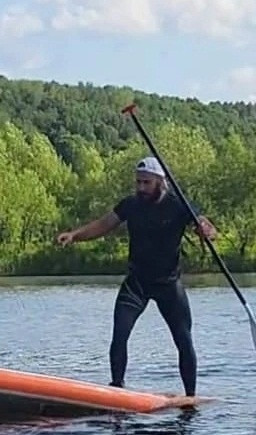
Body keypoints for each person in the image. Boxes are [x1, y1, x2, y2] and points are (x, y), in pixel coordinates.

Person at [56, 156, 217, 397]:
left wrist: (207, 231)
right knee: (119, 334)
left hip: (168, 284)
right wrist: (75, 235)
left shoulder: (179, 205)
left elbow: (205, 225)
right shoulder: (131, 204)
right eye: (138, 183)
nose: (141, 188)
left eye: (146, 183)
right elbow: (103, 224)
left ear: (160, 182)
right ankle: (117, 388)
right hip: (137, 283)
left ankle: (190, 396)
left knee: (184, 340)